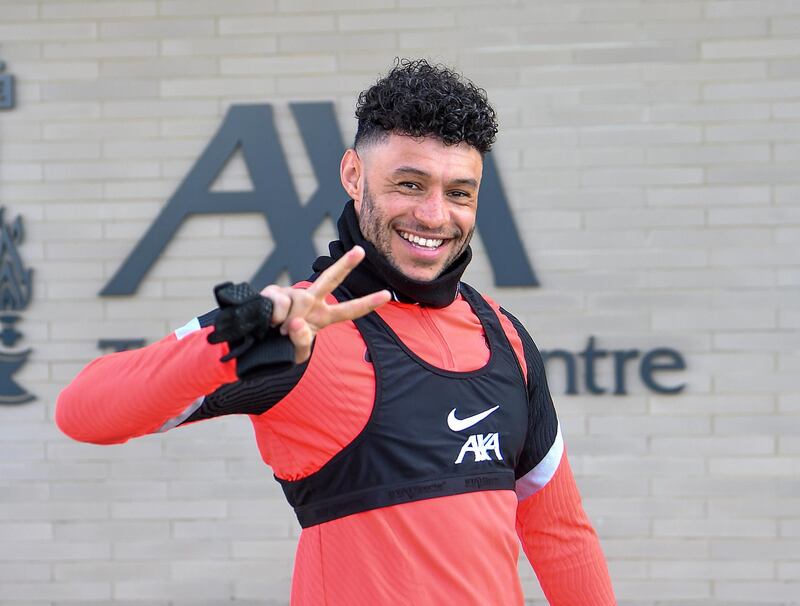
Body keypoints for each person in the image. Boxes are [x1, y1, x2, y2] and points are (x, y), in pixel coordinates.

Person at [57, 59, 616, 605]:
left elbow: (559, 535)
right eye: (410, 183)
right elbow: (81, 411)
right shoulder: (293, 328)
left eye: (460, 192)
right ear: (353, 174)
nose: (434, 215)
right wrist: (230, 347)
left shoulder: (506, 338)